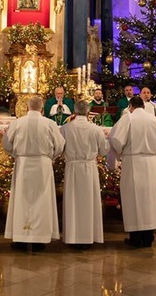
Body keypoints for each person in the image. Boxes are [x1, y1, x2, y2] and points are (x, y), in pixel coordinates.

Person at [3, 96, 65, 252]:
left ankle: (21, 239)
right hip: (42, 165)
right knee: (41, 200)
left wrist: (16, 155)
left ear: (27, 108)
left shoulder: (18, 123)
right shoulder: (49, 124)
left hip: (23, 164)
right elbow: (60, 145)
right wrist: (50, 156)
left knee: (22, 200)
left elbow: (6, 143)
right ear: (42, 109)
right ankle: (39, 240)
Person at [109, 96, 156, 248]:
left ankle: (135, 237)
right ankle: (148, 237)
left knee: (134, 200)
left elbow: (116, 139)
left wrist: (120, 154)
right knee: (149, 200)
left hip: (133, 161)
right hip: (150, 163)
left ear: (131, 106)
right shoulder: (154, 120)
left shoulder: (128, 118)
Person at [61, 100, 110, 249]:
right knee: (89, 202)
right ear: (88, 112)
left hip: (73, 167)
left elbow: (58, 148)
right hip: (89, 168)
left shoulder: (65, 128)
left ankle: (72, 237)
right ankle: (88, 236)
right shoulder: (95, 129)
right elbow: (104, 150)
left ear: (74, 112)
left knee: (73, 202)